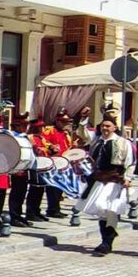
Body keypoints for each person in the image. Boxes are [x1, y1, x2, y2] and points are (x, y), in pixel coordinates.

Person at [75, 116, 134, 256]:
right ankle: (106, 241)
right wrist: (83, 119)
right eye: (103, 126)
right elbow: (82, 133)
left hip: (115, 179)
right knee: (101, 210)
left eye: (108, 126)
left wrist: (127, 178)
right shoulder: (96, 140)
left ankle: (107, 242)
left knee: (108, 208)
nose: (105, 128)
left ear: (115, 127)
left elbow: (130, 162)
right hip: (99, 179)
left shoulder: (123, 143)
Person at [42, 110, 73, 218]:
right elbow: (42, 141)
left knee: (60, 188)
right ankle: (52, 209)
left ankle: (56, 208)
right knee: (53, 188)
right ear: (57, 121)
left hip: (63, 163)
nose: (65, 124)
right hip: (53, 163)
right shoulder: (49, 130)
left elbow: (67, 146)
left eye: (67, 121)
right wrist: (50, 147)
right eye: (63, 121)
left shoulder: (65, 133)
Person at [7, 114, 32, 227]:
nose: (25, 127)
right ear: (16, 126)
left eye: (26, 125)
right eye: (23, 125)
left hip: (25, 168)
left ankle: (19, 215)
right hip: (16, 168)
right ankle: (14, 216)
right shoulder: (12, 136)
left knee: (22, 192)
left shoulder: (25, 137)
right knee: (16, 193)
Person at [25, 118, 50, 222]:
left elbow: (46, 146)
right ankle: (30, 212)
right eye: (40, 127)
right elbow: (35, 149)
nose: (42, 128)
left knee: (40, 190)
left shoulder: (41, 137)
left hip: (42, 166)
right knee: (34, 189)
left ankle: (37, 211)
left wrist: (51, 148)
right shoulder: (30, 137)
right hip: (34, 166)